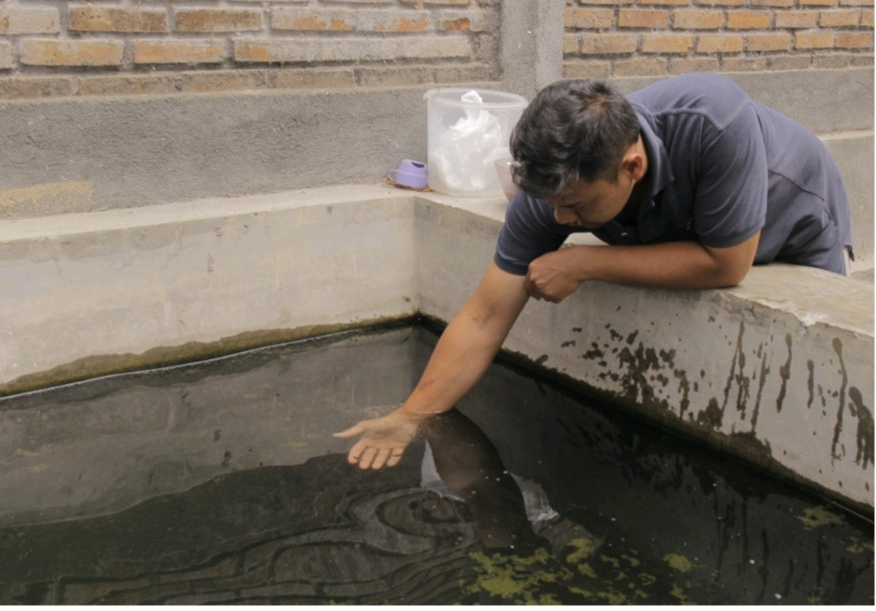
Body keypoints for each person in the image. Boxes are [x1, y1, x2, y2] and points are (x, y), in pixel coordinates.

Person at [334, 72, 853, 470]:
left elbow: (728, 261)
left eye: (577, 207)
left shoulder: (715, 120)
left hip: (795, 225)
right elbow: (485, 317)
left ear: (632, 166)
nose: (561, 221)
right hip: (683, 226)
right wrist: (411, 416)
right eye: (554, 206)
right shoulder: (556, 188)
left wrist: (584, 260)